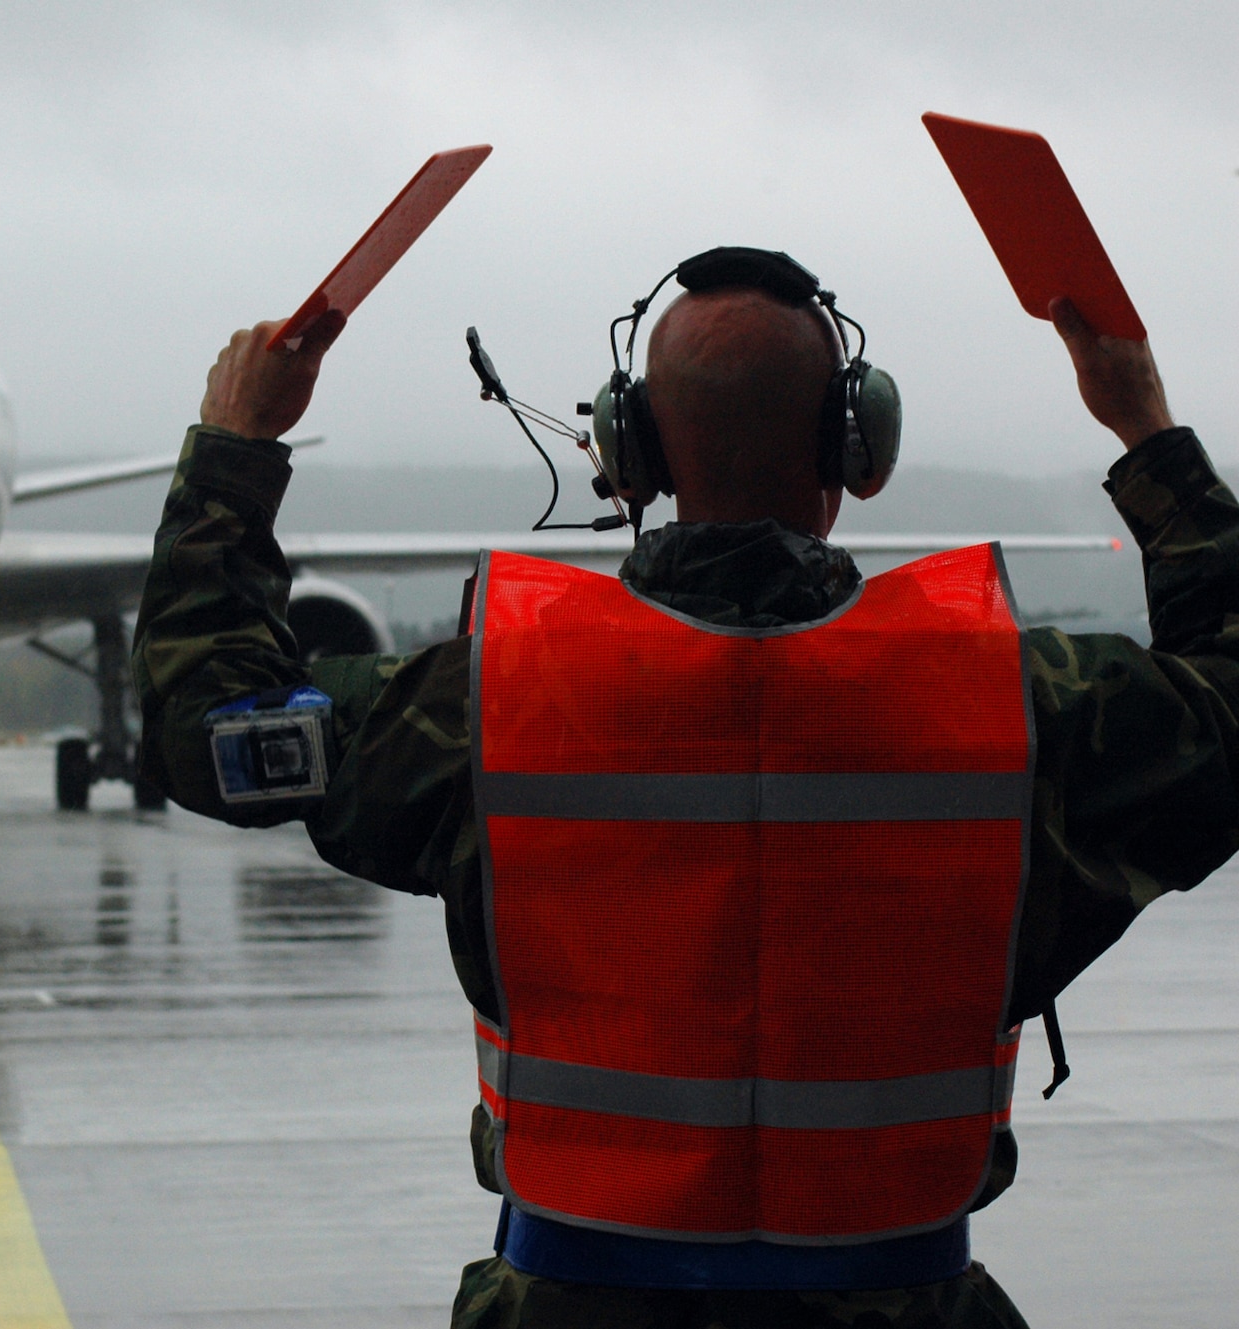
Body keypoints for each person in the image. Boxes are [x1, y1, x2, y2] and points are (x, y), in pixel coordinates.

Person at [130, 248, 1239, 1329]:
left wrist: (236, 445)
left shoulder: (490, 703)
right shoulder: (1015, 703)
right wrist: (1146, 430)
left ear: (631, 455)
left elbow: (209, 726)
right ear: (856, 449)